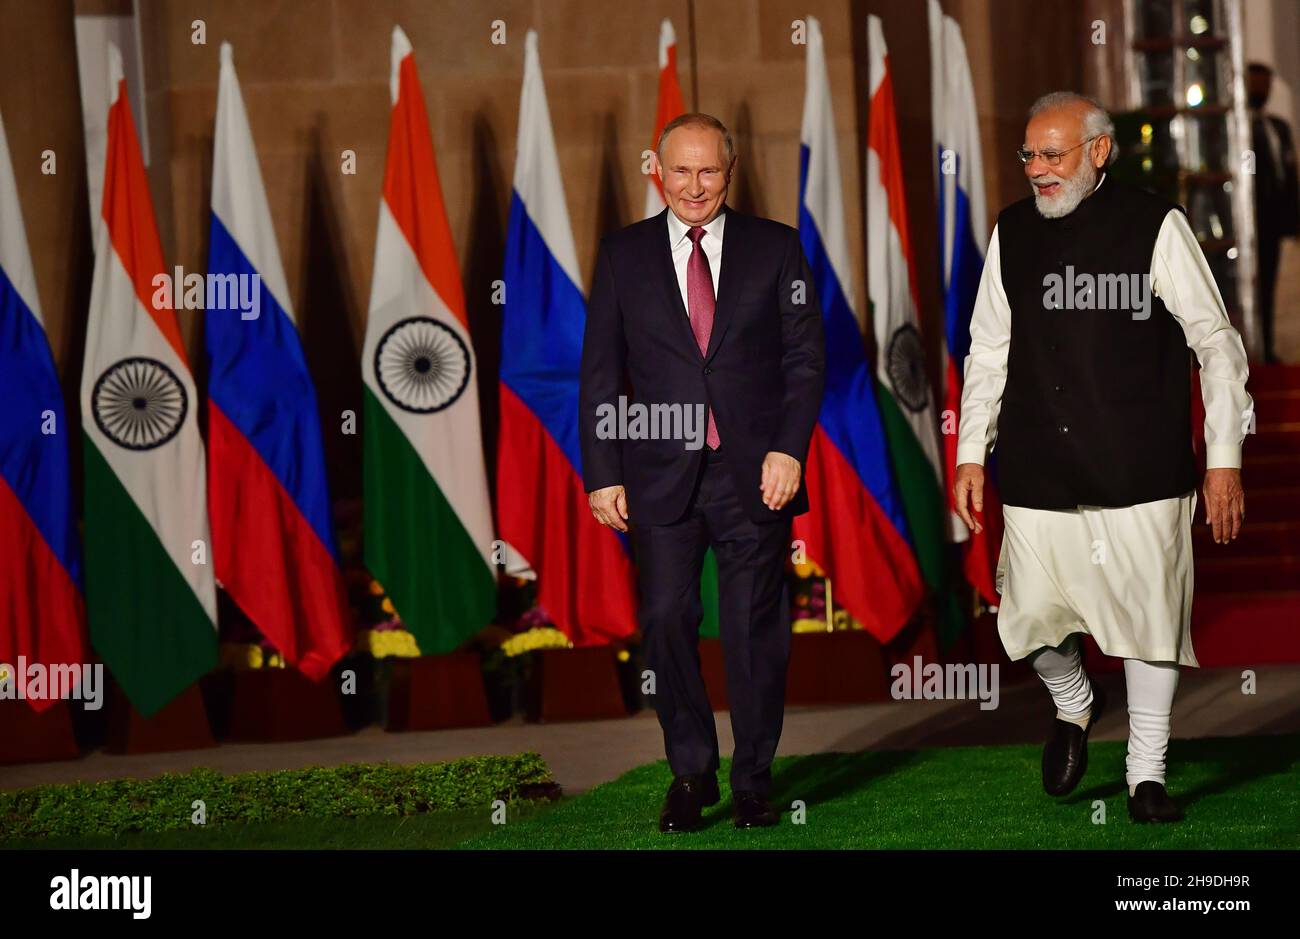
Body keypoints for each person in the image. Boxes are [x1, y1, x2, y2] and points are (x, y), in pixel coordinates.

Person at [952, 92, 1253, 823]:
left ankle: (1145, 773)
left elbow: (1214, 343)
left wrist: (1223, 458)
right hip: (1036, 470)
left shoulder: (1156, 224)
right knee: (1026, 622)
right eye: (1029, 155)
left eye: (1053, 154)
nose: (1037, 169)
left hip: (1140, 469)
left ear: (1098, 151)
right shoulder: (1012, 231)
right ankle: (1073, 699)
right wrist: (969, 452)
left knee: (1151, 621)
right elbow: (988, 349)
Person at [579, 113, 825, 833]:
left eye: (708, 171)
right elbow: (600, 374)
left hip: (754, 474)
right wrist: (601, 470)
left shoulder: (776, 248)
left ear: (731, 169)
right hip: (656, 473)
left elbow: (806, 359)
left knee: (753, 631)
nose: (694, 185)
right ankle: (691, 771)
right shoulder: (622, 255)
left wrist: (789, 447)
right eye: (680, 170)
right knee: (663, 619)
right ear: (655, 169)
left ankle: (752, 778)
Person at [1247, 63, 1299, 364]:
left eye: (1264, 85)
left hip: (1276, 221)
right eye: (1256, 84)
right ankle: (1257, 349)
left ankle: (1267, 347)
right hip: (1253, 220)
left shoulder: (1278, 127)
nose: (1260, 90)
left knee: (1271, 286)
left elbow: (1288, 174)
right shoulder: (1243, 129)